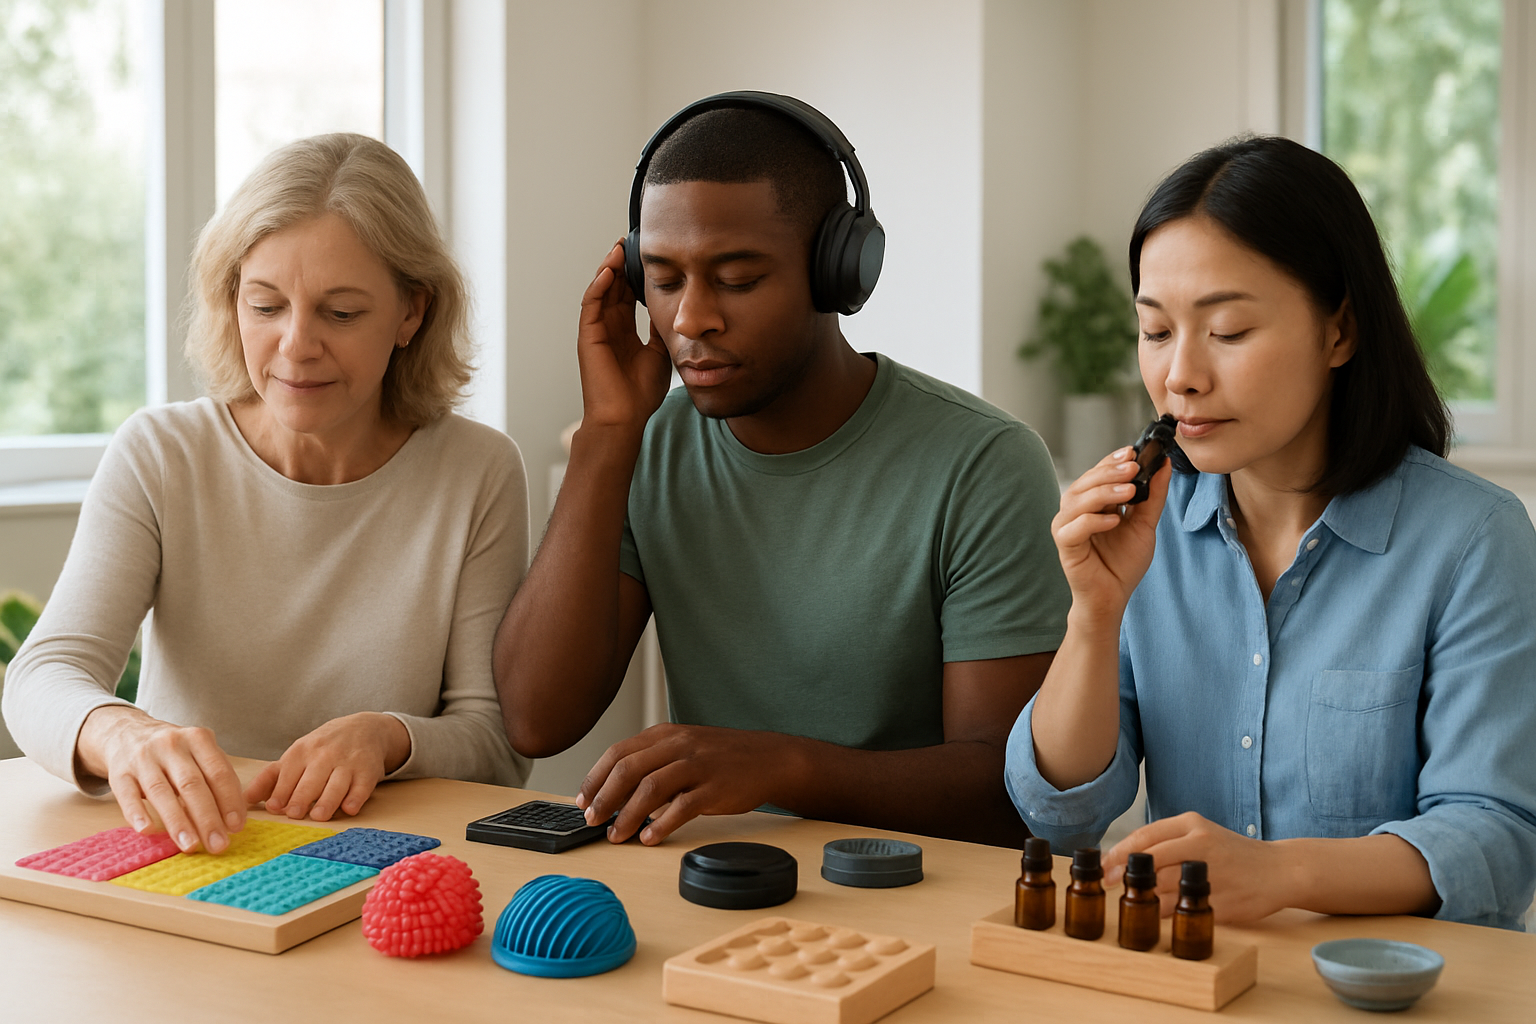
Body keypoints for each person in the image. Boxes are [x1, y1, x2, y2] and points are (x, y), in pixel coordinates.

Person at [494, 93, 1069, 848]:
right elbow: (538, 718)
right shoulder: (648, 447)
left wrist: (786, 769)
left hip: (913, 896)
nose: (691, 319)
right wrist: (607, 433)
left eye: (735, 278)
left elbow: (1007, 791)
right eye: (664, 280)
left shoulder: (984, 465)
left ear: (837, 272)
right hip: (713, 882)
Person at [1005, 135, 1536, 930]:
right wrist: (1093, 614)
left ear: (1340, 332)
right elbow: (1060, 815)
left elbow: (1494, 838)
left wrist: (1282, 873)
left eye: (1227, 331)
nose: (1180, 374)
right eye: (1156, 331)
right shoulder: (1144, 533)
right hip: (1202, 978)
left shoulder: (1475, 540)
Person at [3, 133, 531, 857]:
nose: (295, 346)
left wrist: (390, 737)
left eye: (340, 313)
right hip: (192, 854)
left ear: (412, 313)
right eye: (266, 305)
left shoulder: (478, 470)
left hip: (382, 864)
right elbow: (42, 677)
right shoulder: (161, 454)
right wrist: (121, 731)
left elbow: (496, 741)